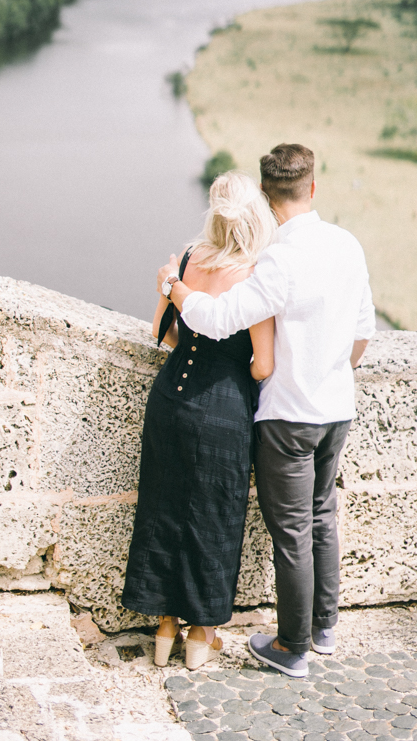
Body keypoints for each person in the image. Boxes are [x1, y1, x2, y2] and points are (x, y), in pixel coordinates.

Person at [162, 143, 374, 678]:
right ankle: (324, 629)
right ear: (313, 187)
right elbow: (363, 332)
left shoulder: (280, 256)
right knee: (323, 514)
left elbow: (219, 318)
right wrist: (333, 373)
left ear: (265, 193)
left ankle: (291, 647)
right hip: (336, 410)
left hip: (290, 416)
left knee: (293, 533)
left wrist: (178, 289)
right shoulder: (347, 245)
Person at [122, 171, 276, 669]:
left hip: (169, 401)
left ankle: (164, 629)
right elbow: (264, 364)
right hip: (224, 413)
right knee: (214, 519)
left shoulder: (186, 261)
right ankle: (201, 634)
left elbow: (160, 333)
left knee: (162, 508)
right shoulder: (256, 274)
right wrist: (237, 370)